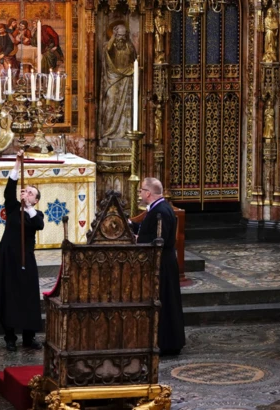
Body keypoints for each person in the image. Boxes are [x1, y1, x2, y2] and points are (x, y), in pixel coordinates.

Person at [0, 150, 45, 351]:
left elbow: (39, 225)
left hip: (26, 257)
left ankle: (29, 337)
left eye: (31, 193)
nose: (27, 193)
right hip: (7, 256)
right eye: (26, 191)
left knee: (28, 295)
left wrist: (29, 207)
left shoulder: (36, 214)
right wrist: (17, 163)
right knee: (9, 294)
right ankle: (10, 337)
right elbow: (9, 189)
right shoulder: (13, 208)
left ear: (36, 200)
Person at [133, 177, 186, 356]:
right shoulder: (159, 208)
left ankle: (166, 342)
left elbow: (158, 239)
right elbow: (150, 230)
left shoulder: (160, 211)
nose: (139, 193)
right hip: (163, 262)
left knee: (165, 301)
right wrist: (133, 227)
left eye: (141, 190)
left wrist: (138, 240)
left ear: (148, 193)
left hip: (162, 264)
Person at [99, 23, 136, 147]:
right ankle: (108, 132)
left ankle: (124, 132)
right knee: (110, 104)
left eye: (123, 35)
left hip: (126, 79)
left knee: (126, 108)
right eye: (119, 35)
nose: (122, 38)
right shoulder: (109, 45)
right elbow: (107, 51)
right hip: (112, 79)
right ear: (114, 34)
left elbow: (134, 60)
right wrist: (112, 39)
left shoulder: (129, 46)